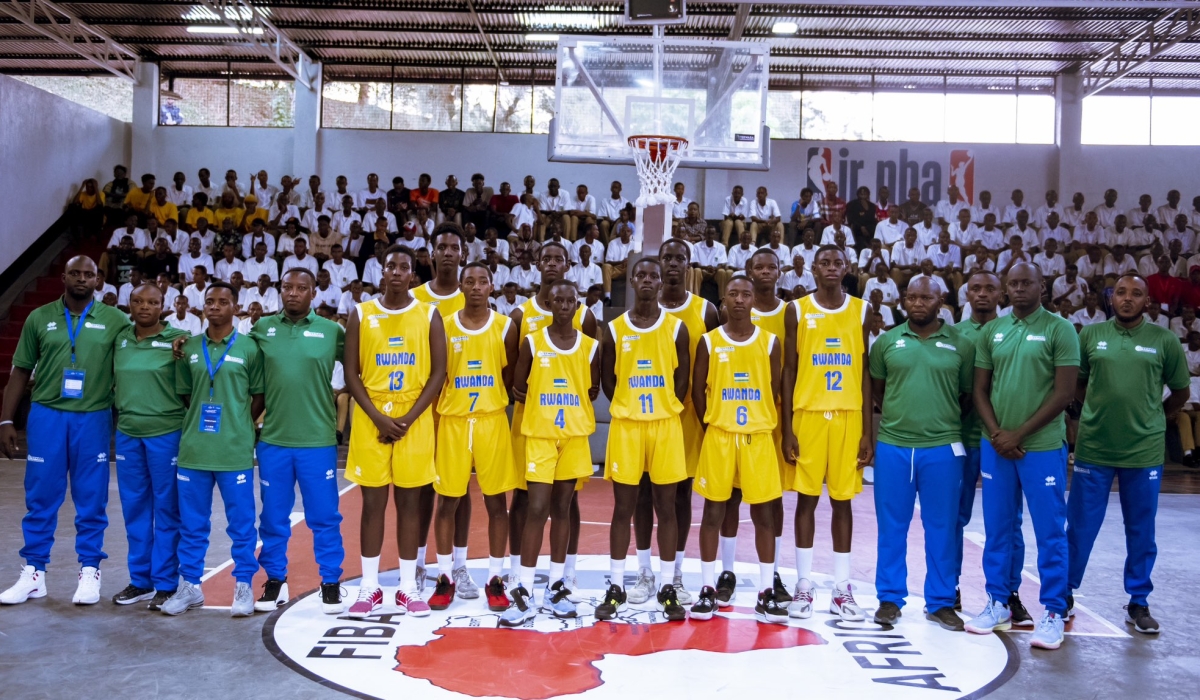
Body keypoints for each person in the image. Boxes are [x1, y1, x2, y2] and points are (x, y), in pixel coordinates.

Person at [0, 257, 130, 606]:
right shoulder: (39, 317)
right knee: (41, 496)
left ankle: (89, 570)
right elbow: (20, 372)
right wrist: (6, 420)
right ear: (63, 277)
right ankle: (34, 573)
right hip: (48, 416)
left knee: (91, 497)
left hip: (92, 417)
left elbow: (141, 353)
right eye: (76, 273)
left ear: (98, 281)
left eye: (89, 274)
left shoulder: (116, 320)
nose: (82, 279)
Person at [965, 262, 1080, 650]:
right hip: (996, 446)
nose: (1018, 289)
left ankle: (1052, 609)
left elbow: (1065, 394)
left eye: (1025, 283)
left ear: (1041, 286)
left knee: (1050, 531)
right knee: (998, 528)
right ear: (1004, 290)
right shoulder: (994, 331)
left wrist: (1018, 433)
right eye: (1012, 284)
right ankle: (998, 601)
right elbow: (980, 390)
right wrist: (999, 434)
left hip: (1042, 446)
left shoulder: (1060, 329)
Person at [1069, 274, 1189, 635]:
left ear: (1147, 302)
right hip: (1095, 447)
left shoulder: (1164, 340)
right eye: (1121, 292)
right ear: (1111, 298)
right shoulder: (1090, 335)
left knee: (1141, 530)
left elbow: (1180, 393)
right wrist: (1095, 410)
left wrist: (1155, 420)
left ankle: (1138, 600)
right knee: (1080, 527)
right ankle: (1064, 593)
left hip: (1143, 451)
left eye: (1136, 294)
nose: (1127, 299)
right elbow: (1077, 382)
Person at [869, 277, 975, 631]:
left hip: (943, 446)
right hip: (894, 445)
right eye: (911, 297)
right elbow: (879, 392)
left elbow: (965, 394)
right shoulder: (887, 341)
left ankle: (942, 601)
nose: (917, 303)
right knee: (891, 526)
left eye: (925, 297)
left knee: (942, 527)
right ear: (903, 300)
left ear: (941, 300)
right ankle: (889, 598)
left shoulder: (962, 343)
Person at [781, 245, 873, 620]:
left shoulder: (862, 310)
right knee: (805, 500)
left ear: (847, 268)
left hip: (849, 416)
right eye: (825, 263)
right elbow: (788, 370)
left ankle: (841, 587)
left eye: (838, 262)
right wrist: (787, 427)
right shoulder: (797, 310)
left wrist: (868, 430)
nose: (832, 268)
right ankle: (804, 586)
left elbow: (865, 372)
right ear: (812, 269)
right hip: (808, 417)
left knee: (842, 502)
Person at [500, 279, 600, 626]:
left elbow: (593, 388)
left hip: (573, 437)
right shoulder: (532, 342)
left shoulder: (590, 346)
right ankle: (524, 589)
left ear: (577, 304)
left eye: (569, 300)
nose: (563, 306)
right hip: (540, 437)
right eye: (557, 300)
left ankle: (556, 586)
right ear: (548, 302)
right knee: (536, 508)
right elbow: (518, 387)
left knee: (562, 508)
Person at [596, 258, 690, 622]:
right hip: (628, 426)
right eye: (643, 275)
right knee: (624, 506)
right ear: (632, 281)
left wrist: (666, 405)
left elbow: (681, 381)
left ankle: (668, 586)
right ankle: (618, 584)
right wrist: (629, 406)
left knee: (667, 506)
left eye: (655, 274)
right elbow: (608, 381)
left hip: (665, 424)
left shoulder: (677, 328)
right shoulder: (616, 328)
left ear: (662, 280)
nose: (649, 279)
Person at [162, 282, 263, 617]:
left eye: (223, 302)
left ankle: (244, 586)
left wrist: (238, 422)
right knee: (192, 523)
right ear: (202, 306)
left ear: (236, 307)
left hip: (233, 451)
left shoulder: (249, 348)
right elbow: (186, 395)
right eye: (209, 301)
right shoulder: (187, 347)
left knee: (242, 523)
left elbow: (259, 395)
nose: (215, 306)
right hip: (194, 449)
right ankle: (189, 586)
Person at [250, 269, 347, 615]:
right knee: (273, 517)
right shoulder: (262, 329)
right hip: (273, 440)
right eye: (287, 287)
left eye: (301, 288)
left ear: (313, 293)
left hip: (317, 441)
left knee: (324, 516)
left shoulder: (332, 331)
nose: (293, 293)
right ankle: (275, 579)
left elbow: (360, 368)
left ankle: (331, 581)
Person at [689, 276, 785, 624]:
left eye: (746, 294)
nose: (741, 300)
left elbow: (775, 389)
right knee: (713, 513)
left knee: (763, 515)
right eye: (734, 294)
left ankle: (765, 592)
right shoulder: (709, 342)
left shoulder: (770, 342)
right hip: (720, 436)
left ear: (753, 299)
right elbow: (698, 390)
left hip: (757, 437)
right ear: (724, 300)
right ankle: (707, 589)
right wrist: (712, 424)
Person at [428, 263, 520, 613]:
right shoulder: (445, 325)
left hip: (491, 420)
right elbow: (439, 374)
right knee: (447, 501)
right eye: (470, 281)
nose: (477, 287)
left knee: (497, 503)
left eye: (483, 281)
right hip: (453, 421)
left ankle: (495, 579)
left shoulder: (505, 326)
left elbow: (508, 377)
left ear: (492, 286)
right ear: (461, 286)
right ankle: (444, 577)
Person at [638, 240, 719, 607]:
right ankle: (643, 572)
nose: (672, 264)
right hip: (646, 414)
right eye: (666, 258)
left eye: (678, 258)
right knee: (642, 491)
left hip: (687, 415)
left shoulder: (706, 310)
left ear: (689, 264)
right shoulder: (640, 311)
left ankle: (677, 572)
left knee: (682, 494)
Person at [713, 250, 791, 608]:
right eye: (757, 266)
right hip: (732, 414)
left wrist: (788, 426)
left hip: (769, 417)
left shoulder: (788, 311)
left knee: (770, 502)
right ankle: (725, 572)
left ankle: (769, 572)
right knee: (728, 496)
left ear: (780, 271)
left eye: (770, 266)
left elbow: (788, 371)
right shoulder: (732, 310)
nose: (764, 272)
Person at [109, 283, 189, 609]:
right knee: (135, 509)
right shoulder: (120, 338)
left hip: (167, 432)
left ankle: (167, 583)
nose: (144, 307)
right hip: (127, 432)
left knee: (167, 509)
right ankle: (140, 580)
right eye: (138, 301)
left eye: (152, 302)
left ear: (163, 305)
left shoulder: (180, 339)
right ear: (129, 303)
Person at [954, 272, 1028, 617]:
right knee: (953, 518)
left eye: (989, 289)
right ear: (966, 294)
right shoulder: (952, 334)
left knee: (1009, 521)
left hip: (1003, 442)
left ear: (1002, 294)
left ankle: (1009, 593)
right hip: (961, 441)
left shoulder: (1014, 330)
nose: (982, 294)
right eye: (976, 289)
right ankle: (948, 589)